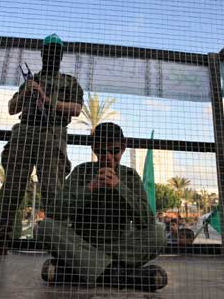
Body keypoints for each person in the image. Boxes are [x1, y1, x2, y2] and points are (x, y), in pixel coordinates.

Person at [0, 33, 84, 257]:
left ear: (61, 56)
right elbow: (12, 108)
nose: (51, 56)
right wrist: (27, 93)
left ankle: (59, 248)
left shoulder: (69, 82)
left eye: (55, 53)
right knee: (11, 189)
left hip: (52, 134)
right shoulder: (31, 81)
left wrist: (46, 99)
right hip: (24, 132)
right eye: (48, 52)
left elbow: (76, 109)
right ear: (42, 54)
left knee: (52, 191)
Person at [37, 122, 168, 291]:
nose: (107, 157)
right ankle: (121, 275)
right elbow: (55, 212)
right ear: (93, 149)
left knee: (158, 234)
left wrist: (119, 187)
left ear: (123, 147)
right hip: (82, 244)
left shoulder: (130, 176)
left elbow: (146, 220)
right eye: (100, 151)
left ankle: (85, 270)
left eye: (114, 151)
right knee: (45, 227)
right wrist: (89, 188)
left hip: (118, 248)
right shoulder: (81, 172)